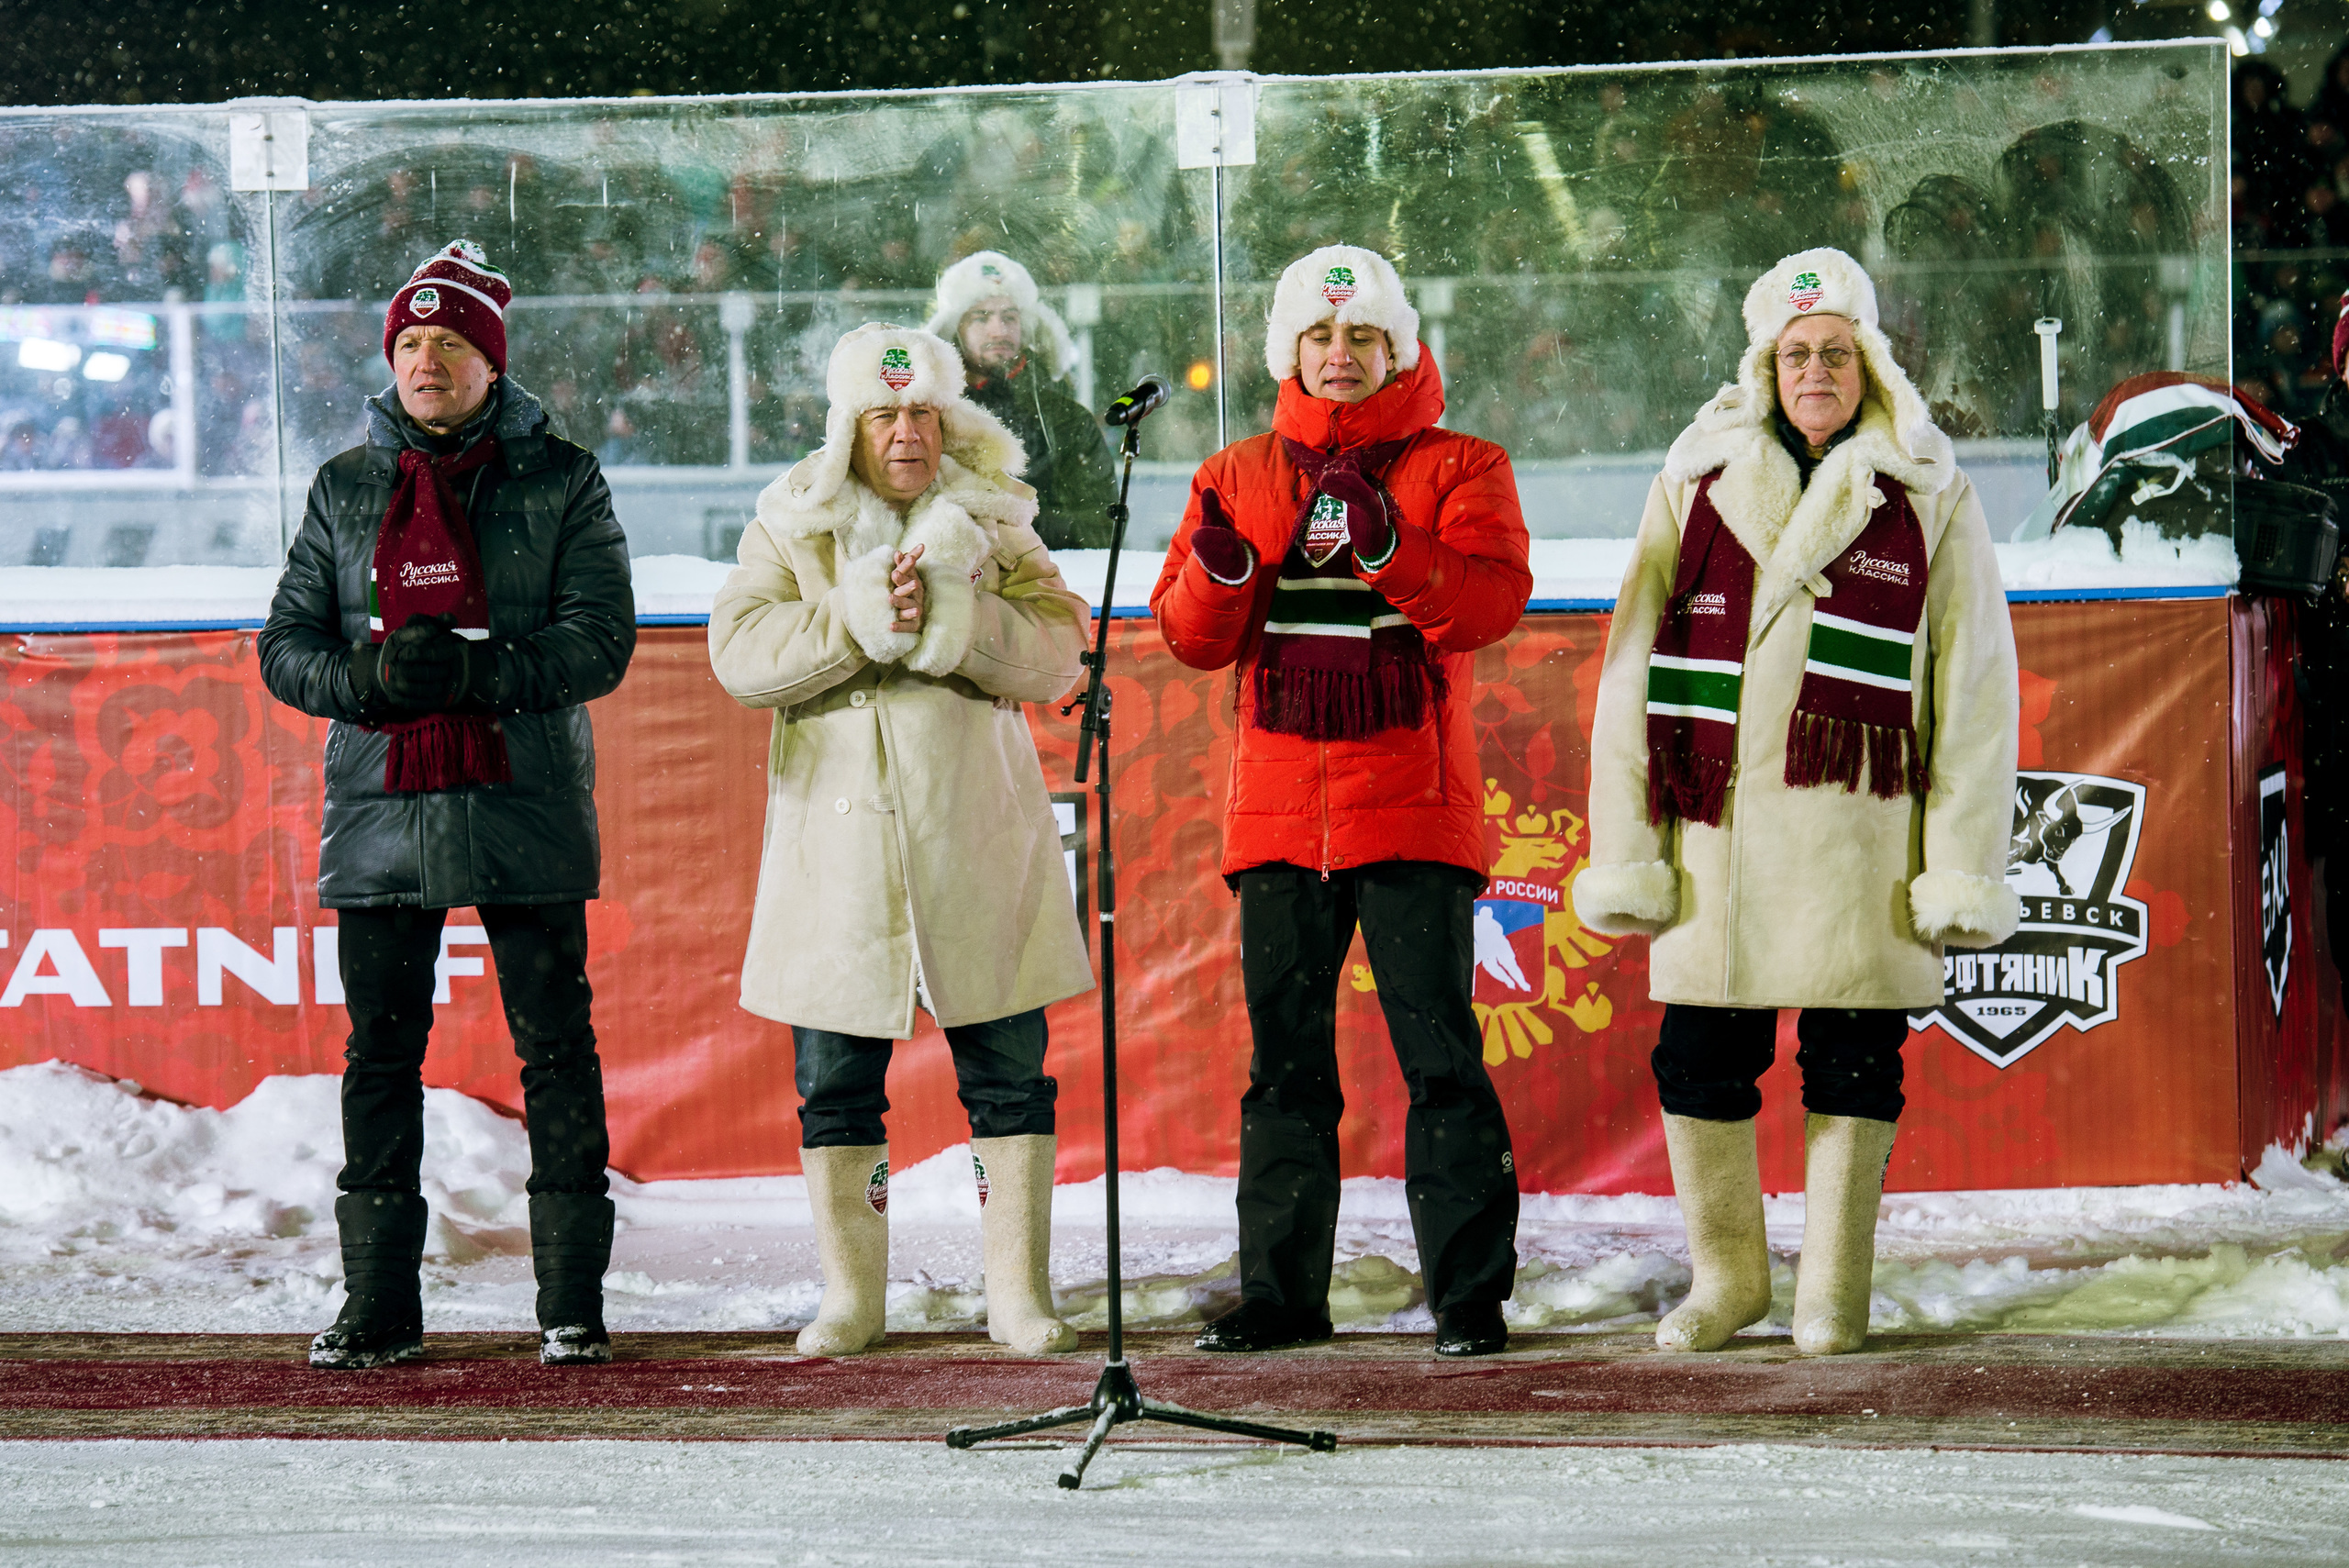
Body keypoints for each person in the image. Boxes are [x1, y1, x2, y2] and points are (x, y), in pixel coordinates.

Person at [1575, 247, 2018, 1358]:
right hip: (1715, 835)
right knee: (1696, 1061)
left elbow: (1970, 696)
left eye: (1833, 351)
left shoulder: (1928, 488)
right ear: (1763, 366)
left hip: (1859, 837)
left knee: (1854, 1058)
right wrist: (1630, 846)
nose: (1813, 369)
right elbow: (1632, 675)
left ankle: (1831, 1291)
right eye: (1793, 353)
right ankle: (1727, 1281)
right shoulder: (1692, 481)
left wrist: (1954, 862)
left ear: (1867, 362)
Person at [258, 239, 637, 1371]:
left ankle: (570, 1302)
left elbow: (600, 638)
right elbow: (284, 646)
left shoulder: (562, 476)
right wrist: (366, 683)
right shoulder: (343, 486)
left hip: (524, 798)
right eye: (410, 343)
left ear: (490, 363)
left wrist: (483, 675)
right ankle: (378, 1303)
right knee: (380, 1056)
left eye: (451, 343)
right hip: (382, 805)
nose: (427, 361)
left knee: (556, 1049)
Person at [1149, 245, 1531, 1359]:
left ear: (1395, 346)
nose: (1340, 354)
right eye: (1320, 337)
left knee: (1440, 1058)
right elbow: (1189, 638)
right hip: (1278, 816)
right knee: (1284, 1068)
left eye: (1362, 335)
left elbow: (1484, 607)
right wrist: (1219, 574)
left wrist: (1390, 546)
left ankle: (1468, 1294)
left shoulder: (1465, 463)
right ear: (1291, 352)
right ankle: (1279, 1292)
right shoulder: (1234, 470)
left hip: (1411, 807)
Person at [708, 324, 1094, 1357]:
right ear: (849, 427)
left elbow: (1060, 649)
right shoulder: (789, 521)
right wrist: (851, 614)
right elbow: (740, 654)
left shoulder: (994, 518)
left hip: (976, 838)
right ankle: (852, 1298)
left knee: (1009, 1078)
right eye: (885, 414)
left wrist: (959, 616)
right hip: (836, 860)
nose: (908, 430)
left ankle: (1017, 1296)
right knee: (835, 1084)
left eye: (923, 410)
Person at [923, 250, 1117, 550]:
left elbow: (1100, 530)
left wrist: (1011, 521)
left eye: (1009, 317)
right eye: (981, 317)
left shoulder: (1067, 419)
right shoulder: (925, 414)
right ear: (955, 329)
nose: (998, 330)